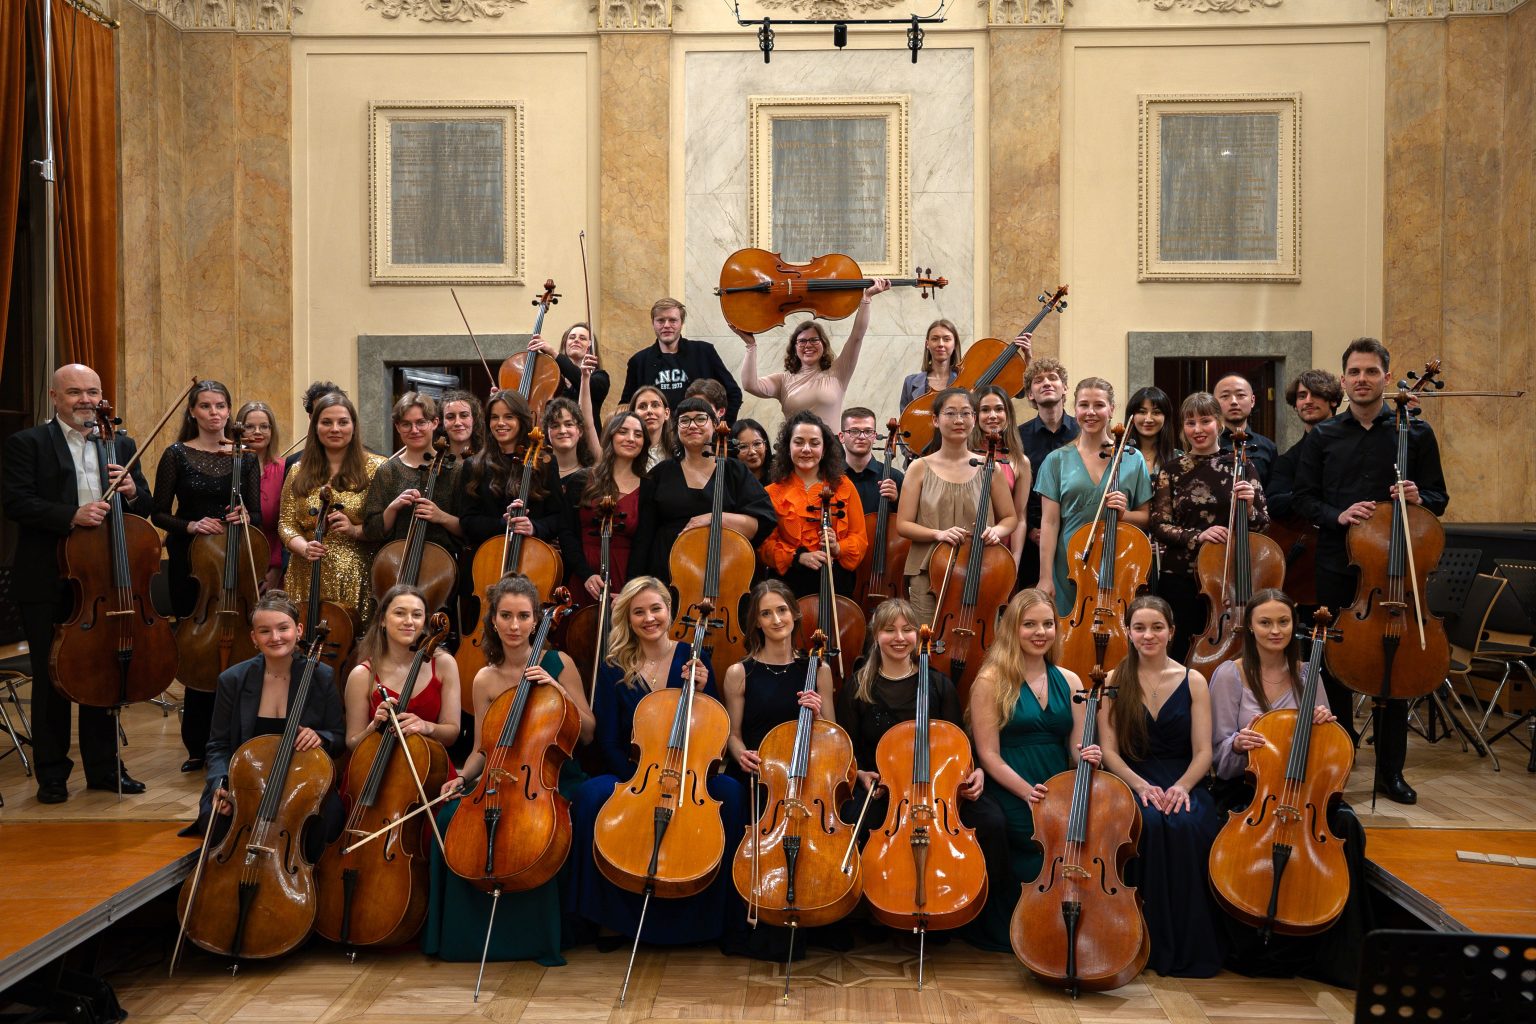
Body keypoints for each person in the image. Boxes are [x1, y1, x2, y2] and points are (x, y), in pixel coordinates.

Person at [1291, 337, 1448, 804]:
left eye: (1371, 372)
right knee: (1337, 669)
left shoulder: (1415, 433)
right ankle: (1337, 767)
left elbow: (1439, 498)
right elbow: (1302, 498)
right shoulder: (1322, 436)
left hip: (1395, 575)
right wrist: (1337, 514)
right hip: (1338, 565)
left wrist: (1419, 497)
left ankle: (1390, 773)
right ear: (1343, 381)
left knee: (1394, 669)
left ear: (1386, 377)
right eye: (1355, 372)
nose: (1363, 379)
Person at [2, 363, 154, 803]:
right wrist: (71, 514)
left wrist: (131, 493)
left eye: (92, 391)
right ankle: (52, 774)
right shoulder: (28, 443)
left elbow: (145, 504)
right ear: (55, 397)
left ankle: (105, 768)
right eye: (74, 392)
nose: (86, 400)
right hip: (49, 577)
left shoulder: (120, 442)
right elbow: (16, 502)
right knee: (53, 677)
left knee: (104, 671)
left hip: (106, 578)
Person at [567, 577, 747, 947]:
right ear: (628, 618)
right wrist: (639, 782)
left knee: (731, 793)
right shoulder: (614, 667)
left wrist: (703, 689)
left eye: (655, 609)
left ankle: (711, 920)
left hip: (690, 774)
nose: (649, 618)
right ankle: (609, 918)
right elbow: (607, 739)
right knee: (589, 797)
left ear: (669, 610)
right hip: (635, 772)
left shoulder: (693, 658)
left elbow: (713, 727)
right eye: (639, 612)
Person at [1207, 588, 1372, 988]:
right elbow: (1218, 756)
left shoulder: (1308, 674)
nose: (1275, 630)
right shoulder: (1230, 675)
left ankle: (1337, 954)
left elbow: (1327, 752)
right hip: (1248, 789)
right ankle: (1250, 940)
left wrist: (1323, 725)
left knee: (1348, 826)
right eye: (1265, 622)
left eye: (1282, 622)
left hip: (1302, 791)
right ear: (1251, 627)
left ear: (1294, 625)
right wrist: (1238, 745)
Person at [427, 574, 593, 964]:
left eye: (523, 616)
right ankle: (464, 940)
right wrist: (461, 778)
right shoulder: (485, 678)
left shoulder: (560, 664)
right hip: (499, 775)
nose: (514, 625)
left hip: (550, 776)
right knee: (450, 818)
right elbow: (481, 750)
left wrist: (558, 689)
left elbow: (588, 731)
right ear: (494, 620)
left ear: (536, 621)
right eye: (506, 616)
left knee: (536, 829)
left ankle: (537, 938)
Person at [834, 598, 1011, 950]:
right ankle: (876, 909)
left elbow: (957, 744)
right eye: (889, 630)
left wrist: (974, 773)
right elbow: (848, 748)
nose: (899, 638)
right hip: (885, 788)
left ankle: (968, 913)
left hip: (938, 789)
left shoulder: (938, 684)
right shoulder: (858, 686)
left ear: (918, 635)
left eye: (907, 630)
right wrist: (862, 773)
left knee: (992, 822)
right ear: (876, 635)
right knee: (855, 823)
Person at [1097, 595, 1224, 978]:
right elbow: (1109, 751)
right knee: (1147, 824)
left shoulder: (1193, 680)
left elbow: (1203, 752)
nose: (1148, 635)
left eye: (1157, 627)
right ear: (1128, 631)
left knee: (1188, 825)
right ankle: (1142, 943)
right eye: (1139, 628)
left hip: (1183, 779)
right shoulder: (1113, 680)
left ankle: (1187, 944)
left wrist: (1183, 788)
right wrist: (1140, 787)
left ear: (1171, 631)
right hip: (1133, 778)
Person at [967, 588, 1100, 950]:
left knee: (1082, 832)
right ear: (1013, 629)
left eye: (1047, 624)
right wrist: (1028, 792)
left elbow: (1076, 748)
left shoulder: (1070, 681)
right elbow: (988, 755)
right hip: (1012, 786)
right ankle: (1022, 926)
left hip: (1057, 784)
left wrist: (1088, 755)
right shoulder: (990, 681)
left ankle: (1065, 928)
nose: (1040, 632)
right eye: (1029, 625)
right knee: (1035, 835)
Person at [153, 379, 263, 773]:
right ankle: (197, 744)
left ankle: (239, 737)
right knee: (197, 647)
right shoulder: (176, 454)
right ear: (192, 412)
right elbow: (158, 512)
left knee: (239, 649)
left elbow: (257, 513)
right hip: (192, 563)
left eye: (220, 406)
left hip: (234, 560)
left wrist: (245, 515)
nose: (214, 413)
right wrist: (191, 525)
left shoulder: (245, 458)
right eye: (205, 406)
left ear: (229, 411)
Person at [190, 590, 346, 845]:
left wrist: (320, 737)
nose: (275, 637)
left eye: (283, 628)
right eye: (264, 631)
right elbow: (218, 745)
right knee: (216, 823)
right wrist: (220, 784)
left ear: (298, 630)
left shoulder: (321, 676)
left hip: (302, 783)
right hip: (245, 783)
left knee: (328, 822)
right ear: (254, 637)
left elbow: (338, 738)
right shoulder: (232, 680)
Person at [1149, 391, 1268, 661]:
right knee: (1180, 650)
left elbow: (1263, 525)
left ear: (1219, 423)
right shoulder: (1171, 470)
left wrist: (1249, 508)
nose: (1198, 429)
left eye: (1205, 421)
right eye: (1190, 423)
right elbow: (1159, 525)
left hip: (1228, 576)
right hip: (1181, 576)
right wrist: (1199, 535)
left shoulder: (1242, 466)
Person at [894, 389, 1016, 625]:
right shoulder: (919, 467)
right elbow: (903, 524)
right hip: (928, 572)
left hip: (979, 570)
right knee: (927, 640)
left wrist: (996, 531)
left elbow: (1010, 518)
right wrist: (937, 534)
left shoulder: (990, 468)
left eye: (966, 413)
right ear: (935, 420)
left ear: (974, 419)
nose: (959, 420)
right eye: (950, 413)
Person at [1034, 377, 1152, 617]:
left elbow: (1146, 518)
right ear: (1074, 409)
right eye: (1083, 405)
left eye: (1099, 405)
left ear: (1112, 409)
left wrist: (1125, 514)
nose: (1090, 412)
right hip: (1069, 566)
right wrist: (1045, 577)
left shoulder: (1132, 458)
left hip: (1119, 562)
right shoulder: (1056, 460)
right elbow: (1050, 523)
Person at [632, 398, 777, 586]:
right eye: (684, 420)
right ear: (676, 428)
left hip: (725, 576)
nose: (692, 425)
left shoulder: (735, 471)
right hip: (667, 577)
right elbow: (643, 537)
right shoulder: (660, 474)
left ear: (715, 424)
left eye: (700, 419)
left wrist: (714, 518)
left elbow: (761, 522)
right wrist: (635, 585)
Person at [280, 393, 386, 625]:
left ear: (353, 426)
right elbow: (286, 523)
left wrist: (356, 530)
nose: (335, 429)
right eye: (326, 422)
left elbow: (384, 525)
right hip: (305, 572)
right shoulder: (297, 470)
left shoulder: (378, 468)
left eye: (343, 422)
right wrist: (304, 547)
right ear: (315, 427)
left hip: (356, 576)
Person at [722, 580, 836, 786]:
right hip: (756, 774)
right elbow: (733, 735)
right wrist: (742, 755)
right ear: (757, 622)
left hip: (803, 775)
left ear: (794, 613)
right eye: (766, 613)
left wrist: (817, 716)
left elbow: (834, 737)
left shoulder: (819, 670)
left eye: (782, 610)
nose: (776, 620)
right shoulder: (738, 673)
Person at [732, 278, 890, 425]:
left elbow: (857, 337)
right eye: (802, 341)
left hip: (831, 445)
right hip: (795, 443)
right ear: (794, 348)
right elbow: (750, 385)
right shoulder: (783, 380)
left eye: (814, 340)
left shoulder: (838, 372)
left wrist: (866, 299)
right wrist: (751, 346)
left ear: (824, 345)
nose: (808, 345)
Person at [342, 585, 462, 755]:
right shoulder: (361, 675)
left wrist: (427, 727)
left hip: (430, 765)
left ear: (424, 622)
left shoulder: (444, 664)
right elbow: (352, 743)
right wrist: (373, 728)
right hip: (374, 767)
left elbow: (452, 733)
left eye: (417, 615)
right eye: (399, 613)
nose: (409, 621)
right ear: (382, 620)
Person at [759, 411, 868, 599]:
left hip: (836, 583)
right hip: (790, 585)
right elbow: (765, 546)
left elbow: (859, 538)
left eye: (815, 443)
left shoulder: (844, 486)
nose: (806, 449)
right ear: (788, 448)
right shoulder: (771, 492)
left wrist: (838, 548)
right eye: (799, 442)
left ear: (824, 450)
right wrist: (797, 557)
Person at [361, 392, 465, 571]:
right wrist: (392, 508)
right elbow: (371, 531)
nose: (414, 430)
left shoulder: (455, 470)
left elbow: (467, 529)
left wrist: (441, 516)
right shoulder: (387, 471)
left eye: (421, 422)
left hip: (442, 570)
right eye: (406, 424)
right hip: (396, 568)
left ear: (434, 423)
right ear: (397, 427)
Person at [564, 411, 649, 604]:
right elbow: (567, 532)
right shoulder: (581, 480)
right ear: (610, 436)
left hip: (624, 578)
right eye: (623, 432)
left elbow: (643, 543)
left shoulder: (648, 487)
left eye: (638, 434)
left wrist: (630, 589)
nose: (631, 438)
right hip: (582, 575)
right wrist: (585, 574)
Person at [619, 297, 742, 422]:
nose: (666, 325)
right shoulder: (638, 361)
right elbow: (625, 406)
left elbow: (733, 393)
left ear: (681, 323)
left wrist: (722, 427)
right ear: (653, 323)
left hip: (698, 429)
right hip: (655, 432)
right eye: (660, 320)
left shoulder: (704, 352)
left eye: (673, 320)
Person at [1015, 356, 1078, 591]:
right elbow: (1015, 489)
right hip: (1031, 541)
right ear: (1030, 394)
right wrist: (1032, 529)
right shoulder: (1017, 437)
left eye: (1053, 378)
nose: (1047, 383)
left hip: (1076, 534)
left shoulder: (1082, 432)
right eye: (1038, 380)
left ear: (1065, 388)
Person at [1267, 369, 1343, 520]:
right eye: (1302, 396)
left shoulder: (1352, 441)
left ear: (1333, 400)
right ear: (1295, 405)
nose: (1308, 400)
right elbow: (1273, 503)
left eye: (1316, 394)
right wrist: (1307, 497)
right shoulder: (1288, 459)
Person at [972, 385, 1032, 564]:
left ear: (1008, 415)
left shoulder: (1020, 461)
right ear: (974, 415)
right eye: (985, 410)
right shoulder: (965, 455)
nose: (993, 415)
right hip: (965, 540)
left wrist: (1015, 559)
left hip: (1000, 549)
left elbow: (1019, 518)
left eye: (999, 409)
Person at [237, 401, 287, 593]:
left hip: (273, 567)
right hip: (234, 564)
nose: (257, 432)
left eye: (264, 426)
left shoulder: (284, 469)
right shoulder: (228, 468)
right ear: (238, 430)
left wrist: (276, 569)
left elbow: (287, 524)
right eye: (249, 426)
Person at [530, 321, 610, 424]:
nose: (576, 340)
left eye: (582, 338)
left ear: (590, 347)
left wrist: (553, 353)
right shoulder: (553, 377)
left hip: (586, 433)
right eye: (572, 337)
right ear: (565, 344)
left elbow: (583, 382)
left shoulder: (600, 377)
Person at [1214, 373, 1279, 489]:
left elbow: (1273, 493)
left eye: (1240, 395)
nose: (1233, 401)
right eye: (1225, 396)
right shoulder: (1208, 444)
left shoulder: (1268, 447)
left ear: (1252, 401)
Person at [839, 406, 902, 520]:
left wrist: (896, 501)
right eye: (854, 431)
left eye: (868, 431)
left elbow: (909, 521)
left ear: (874, 436)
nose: (862, 437)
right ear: (841, 437)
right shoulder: (829, 477)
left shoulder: (895, 478)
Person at [896, 319, 963, 415]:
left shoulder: (964, 381)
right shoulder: (910, 382)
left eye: (946, 339)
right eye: (935, 339)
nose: (940, 344)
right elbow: (905, 421)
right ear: (927, 344)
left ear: (955, 344)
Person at [1125, 385, 1179, 481]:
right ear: (1131, 417)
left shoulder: (1179, 459)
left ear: (1166, 418)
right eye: (1142, 412)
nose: (1148, 419)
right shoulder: (1119, 457)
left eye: (1156, 412)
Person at [543, 396, 596, 480]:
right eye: (555, 426)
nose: (562, 431)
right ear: (547, 433)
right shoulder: (538, 472)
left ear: (580, 431)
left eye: (569, 424)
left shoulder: (590, 476)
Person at [629, 385, 673, 470]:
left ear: (666, 413)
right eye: (642, 406)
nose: (649, 411)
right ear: (632, 414)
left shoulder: (679, 454)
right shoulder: (624, 452)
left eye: (655, 405)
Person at [439, 388, 485, 461]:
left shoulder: (486, 459)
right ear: (442, 422)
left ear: (474, 419)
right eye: (450, 417)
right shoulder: (433, 459)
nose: (457, 423)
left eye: (464, 415)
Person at [732, 418, 774, 485]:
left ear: (765, 445)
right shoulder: (730, 484)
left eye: (757, 444)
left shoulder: (779, 478)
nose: (752, 452)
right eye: (743, 447)